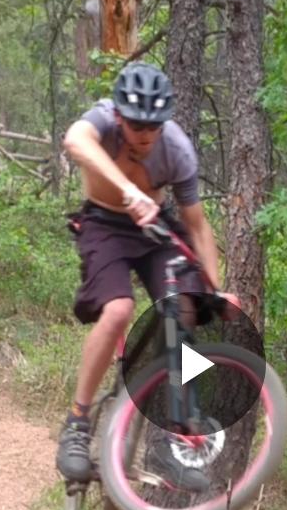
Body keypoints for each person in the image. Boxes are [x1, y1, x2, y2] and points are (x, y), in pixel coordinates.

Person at [55, 62, 228, 483]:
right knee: (117, 310)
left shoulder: (177, 150)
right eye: (135, 125)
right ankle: (77, 424)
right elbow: (75, 140)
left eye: (153, 125)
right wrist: (130, 191)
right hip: (103, 223)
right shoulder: (102, 120)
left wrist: (218, 290)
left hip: (153, 227)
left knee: (184, 310)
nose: (145, 134)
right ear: (118, 117)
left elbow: (198, 226)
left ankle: (174, 439)